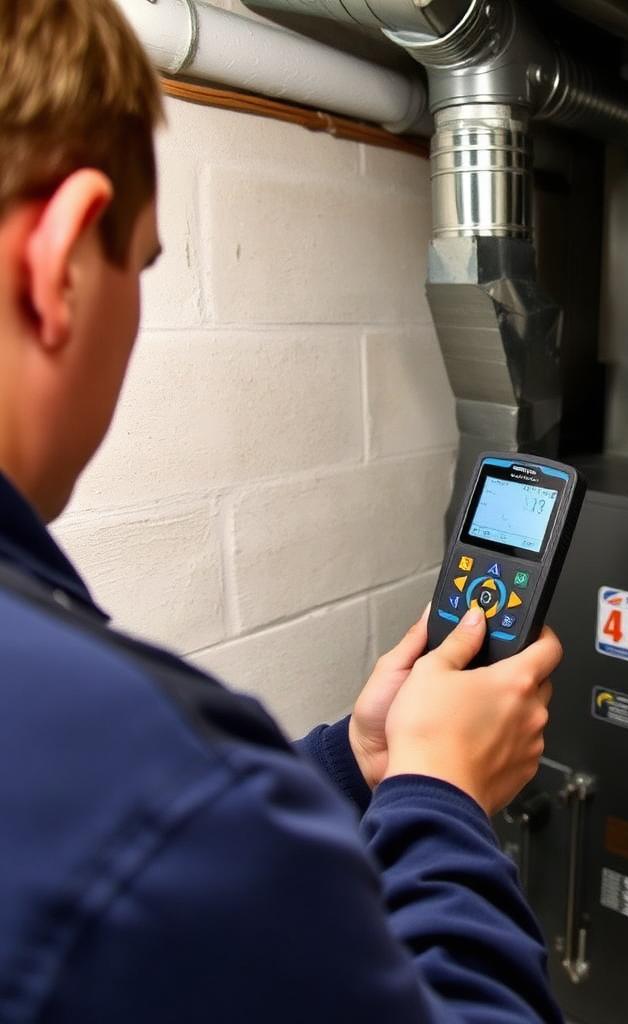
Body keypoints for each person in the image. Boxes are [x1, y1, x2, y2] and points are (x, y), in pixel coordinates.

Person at [0, 2, 564, 1021]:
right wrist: (443, 800)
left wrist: (355, 758)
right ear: (60, 258)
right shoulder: (155, 786)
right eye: (142, 264)